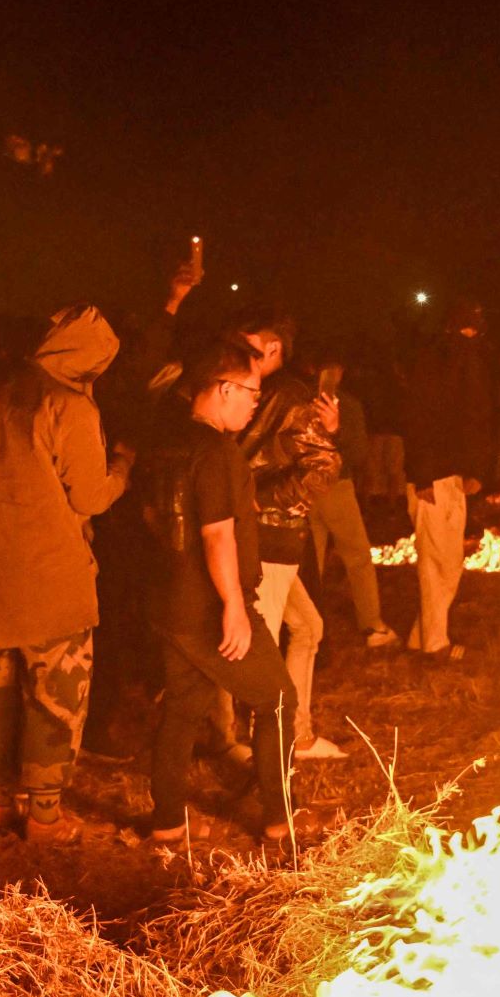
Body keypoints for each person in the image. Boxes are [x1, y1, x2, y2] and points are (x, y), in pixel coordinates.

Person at [0, 305, 132, 840]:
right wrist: (123, 467)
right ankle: (45, 814)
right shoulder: (69, 405)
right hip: (51, 576)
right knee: (55, 697)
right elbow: (90, 495)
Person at [140, 340, 311, 846]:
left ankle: (168, 821)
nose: (257, 402)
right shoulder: (216, 452)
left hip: (168, 598)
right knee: (277, 698)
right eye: (253, 393)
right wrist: (234, 606)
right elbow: (218, 534)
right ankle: (280, 821)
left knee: (184, 707)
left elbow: (153, 517)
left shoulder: (166, 440)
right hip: (208, 604)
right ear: (222, 389)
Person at [232, 312, 344, 759]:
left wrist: (260, 500)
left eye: (248, 339)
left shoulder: (282, 396)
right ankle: (267, 744)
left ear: (274, 348)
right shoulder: (246, 389)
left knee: (307, 627)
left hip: (270, 533)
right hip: (265, 536)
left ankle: (291, 736)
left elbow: (322, 464)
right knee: (256, 646)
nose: (237, 346)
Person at [399, 300, 500, 658]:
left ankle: (422, 636)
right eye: (464, 330)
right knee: (436, 563)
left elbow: (476, 421)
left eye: (475, 331)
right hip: (433, 478)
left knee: (448, 563)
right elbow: (420, 419)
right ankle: (435, 643)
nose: (470, 337)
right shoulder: (434, 364)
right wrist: (423, 475)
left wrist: (476, 471)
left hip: (454, 477)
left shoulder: (471, 365)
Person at [303, 347, 395, 650]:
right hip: (335, 487)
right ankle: (373, 625)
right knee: (357, 556)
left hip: (302, 487)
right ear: (339, 371)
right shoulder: (349, 405)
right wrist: (338, 431)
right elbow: (356, 454)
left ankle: (306, 627)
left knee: (310, 561)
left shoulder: (297, 399)